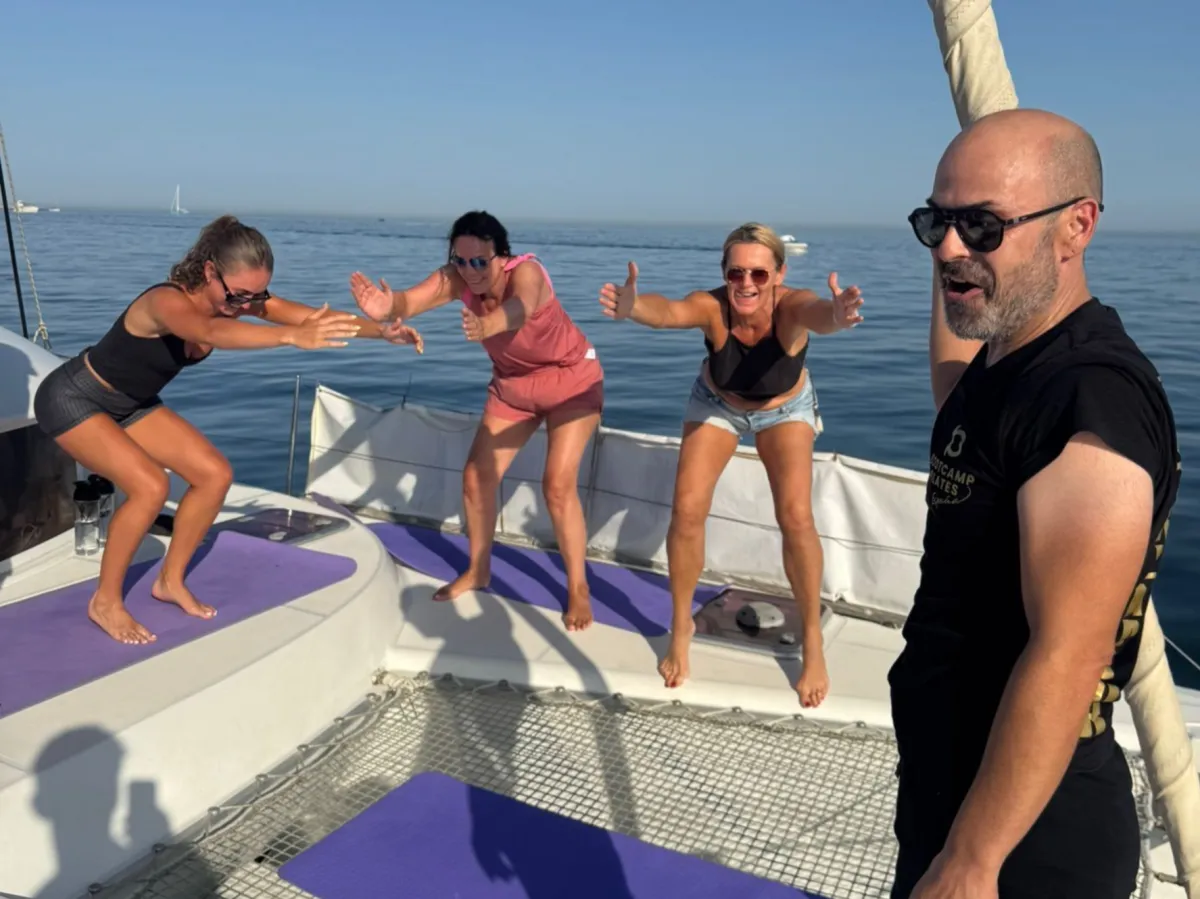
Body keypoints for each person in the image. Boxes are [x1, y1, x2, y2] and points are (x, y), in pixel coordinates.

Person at [888, 108, 1181, 899]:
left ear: (1076, 226)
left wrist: (972, 860)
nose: (950, 247)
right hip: (954, 794)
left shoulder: (1089, 402)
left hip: (1029, 841)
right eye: (936, 223)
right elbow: (957, 390)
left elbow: (1068, 655)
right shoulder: (1005, 363)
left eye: (983, 225)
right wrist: (963, 267)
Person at [33, 215, 423, 645]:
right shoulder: (166, 303)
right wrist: (290, 338)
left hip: (131, 403)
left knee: (214, 474)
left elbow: (313, 318)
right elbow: (210, 330)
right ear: (209, 272)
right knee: (149, 487)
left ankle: (170, 580)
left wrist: (382, 331)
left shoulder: (235, 299)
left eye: (255, 296)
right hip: (75, 398)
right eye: (238, 295)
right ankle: (105, 601)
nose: (245, 305)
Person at [598, 222, 864, 708]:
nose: (746, 283)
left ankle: (812, 639)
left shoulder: (791, 307)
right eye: (736, 272)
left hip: (784, 408)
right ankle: (681, 625)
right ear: (724, 273)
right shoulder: (713, 307)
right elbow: (669, 312)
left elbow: (818, 315)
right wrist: (633, 306)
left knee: (796, 517)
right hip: (716, 402)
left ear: (778, 274)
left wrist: (838, 315)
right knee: (687, 509)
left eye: (759, 274)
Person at [350, 210, 604, 631]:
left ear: (502, 256)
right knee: (475, 478)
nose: (470, 271)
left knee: (557, 485)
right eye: (461, 260)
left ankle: (578, 587)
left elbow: (520, 309)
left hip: (571, 380)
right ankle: (478, 569)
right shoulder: (456, 278)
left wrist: (487, 324)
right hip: (514, 386)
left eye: (480, 261)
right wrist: (386, 307)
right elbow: (409, 302)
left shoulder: (528, 273)